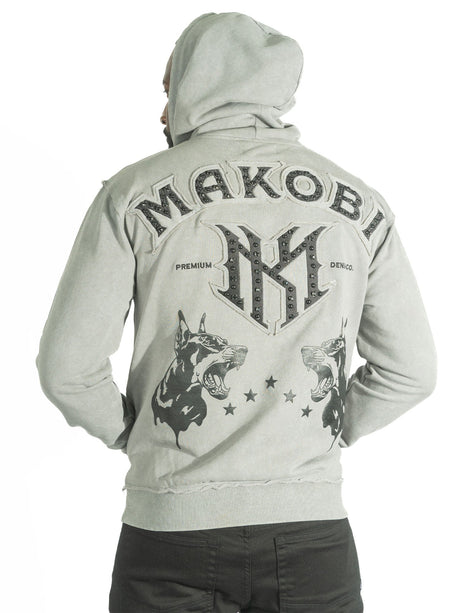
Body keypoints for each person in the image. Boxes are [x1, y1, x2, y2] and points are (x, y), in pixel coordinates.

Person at [35, 11, 437, 613]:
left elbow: (67, 369)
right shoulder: (363, 205)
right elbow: (412, 372)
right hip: (313, 539)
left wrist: (139, 435)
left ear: (196, 85)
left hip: (169, 534)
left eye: (169, 89)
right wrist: (325, 432)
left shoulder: (131, 193)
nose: (163, 113)